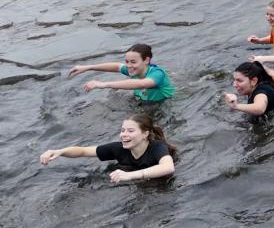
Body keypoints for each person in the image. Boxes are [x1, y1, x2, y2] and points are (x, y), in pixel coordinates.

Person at [39, 115, 177, 183]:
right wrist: (59, 151)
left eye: (130, 131)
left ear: (145, 134)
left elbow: (168, 167)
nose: (124, 134)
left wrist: (129, 176)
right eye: (122, 130)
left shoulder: (157, 147)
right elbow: (83, 151)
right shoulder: (119, 149)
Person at [68, 43, 175, 102]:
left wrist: (104, 84)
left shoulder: (157, 74)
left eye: (133, 62)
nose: (129, 66)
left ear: (146, 60)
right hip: (142, 102)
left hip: (164, 105)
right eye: (127, 62)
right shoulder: (134, 70)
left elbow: (142, 83)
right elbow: (117, 66)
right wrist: (88, 67)